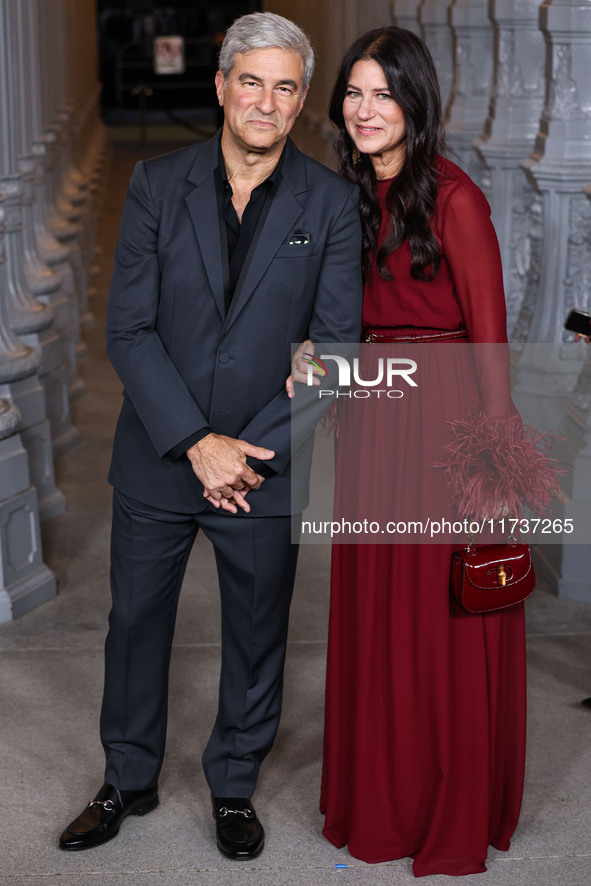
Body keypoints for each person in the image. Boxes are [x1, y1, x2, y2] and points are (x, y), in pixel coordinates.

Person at [58, 12, 362, 860]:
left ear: (302, 102)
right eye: (252, 80)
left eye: (286, 86)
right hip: (161, 455)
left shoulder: (330, 204)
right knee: (136, 625)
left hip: (265, 466)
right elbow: (129, 330)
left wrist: (248, 452)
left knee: (258, 633)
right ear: (223, 84)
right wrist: (197, 441)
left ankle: (233, 785)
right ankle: (127, 777)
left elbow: (335, 350)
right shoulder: (157, 184)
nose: (266, 101)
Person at [288, 27, 527, 877]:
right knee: (378, 615)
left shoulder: (456, 201)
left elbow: (490, 348)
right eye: (353, 93)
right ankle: (379, 797)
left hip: (441, 430)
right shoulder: (345, 196)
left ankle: (443, 805)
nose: (363, 110)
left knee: (439, 623)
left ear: (414, 104)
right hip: (373, 428)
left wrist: (492, 472)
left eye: (382, 94)